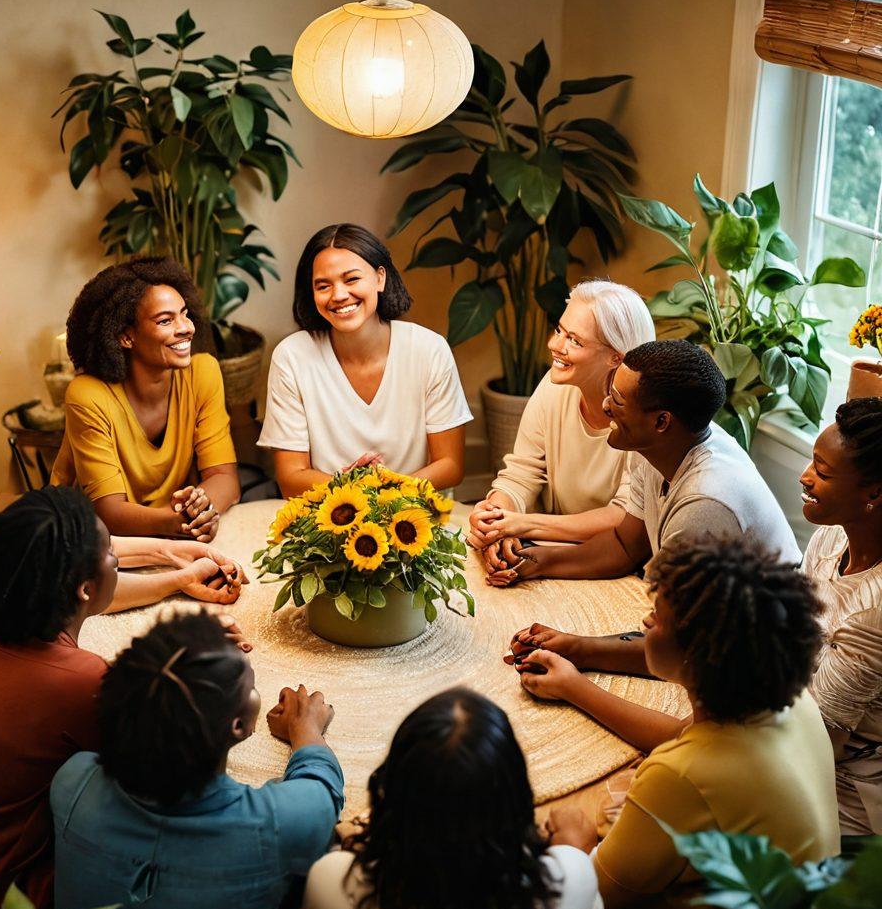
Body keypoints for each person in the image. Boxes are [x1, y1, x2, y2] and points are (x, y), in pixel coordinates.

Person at [508, 537, 839, 909]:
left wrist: (573, 841)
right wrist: (576, 687)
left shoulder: (681, 776)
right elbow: (685, 737)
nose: (644, 623)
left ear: (696, 654)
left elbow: (591, 902)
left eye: (658, 618)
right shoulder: (789, 703)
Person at [0, 486, 249, 909]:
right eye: (109, 553)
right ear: (83, 588)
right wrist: (198, 665)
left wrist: (175, 578)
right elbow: (171, 775)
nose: (117, 559)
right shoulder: (82, 681)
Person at [51, 612, 343, 909]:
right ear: (239, 727)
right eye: (250, 684)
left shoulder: (74, 783)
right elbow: (322, 791)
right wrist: (307, 729)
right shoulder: (269, 826)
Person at [492, 339, 800, 677]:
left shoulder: (704, 504)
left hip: (752, 653)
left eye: (618, 401)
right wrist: (533, 560)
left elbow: (680, 649)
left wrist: (574, 648)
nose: (605, 405)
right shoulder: (659, 448)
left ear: (661, 421)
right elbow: (626, 545)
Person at [303, 687, 603, 909]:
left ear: (396, 794)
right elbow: (572, 861)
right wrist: (573, 845)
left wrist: (307, 734)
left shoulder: (335, 881)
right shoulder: (571, 879)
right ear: (514, 795)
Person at [258, 223, 472, 497]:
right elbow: (290, 478)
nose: (338, 295)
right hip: (329, 516)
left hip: (414, 516)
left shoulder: (429, 349)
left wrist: (388, 492)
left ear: (380, 278)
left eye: (351, 279)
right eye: (323, 285)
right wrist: (351, 492)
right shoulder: (292, 357)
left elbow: (451, 465)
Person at [51, 257, 241, 540]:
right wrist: (180, 523)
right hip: (87, 541)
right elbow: (110, 513)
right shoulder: (88, 395)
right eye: (165, 320)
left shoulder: (203, 373)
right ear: (126, 337)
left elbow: (225, 479)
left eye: (184, 313)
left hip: (169, 528)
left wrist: (203, 507)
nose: (186, 327)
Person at [469, 280, 655, 557]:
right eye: (559, 330)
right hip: (546, 542)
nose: (554, 345)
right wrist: (497, 514)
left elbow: (625, 515)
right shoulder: (554, 385)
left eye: (574, 340)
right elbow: (521, 474)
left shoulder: (645, 419)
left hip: (613, 557)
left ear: (615, 358)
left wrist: (524, 525)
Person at [799, 397, 882, 835]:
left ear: (874, 492)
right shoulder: (830, 538)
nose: (804, 477)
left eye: (823, 472)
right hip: (794, 715)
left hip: (843, 793)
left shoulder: (873, 612)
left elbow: (816, 746)